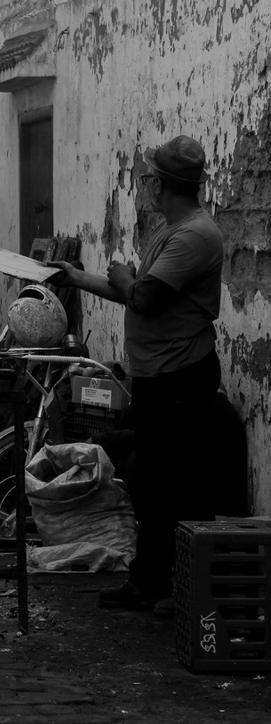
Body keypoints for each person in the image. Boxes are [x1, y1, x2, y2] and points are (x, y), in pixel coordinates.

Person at [48, 135, 224, 617]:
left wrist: (127, 277)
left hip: (179, 378)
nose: (146, 185)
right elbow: (134, 292)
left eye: (150, 178)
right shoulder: (172, 231)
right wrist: (76, 277)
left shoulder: (193, 236)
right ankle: (151, 581)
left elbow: (143, 296)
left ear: (161, 185)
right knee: (153, 480)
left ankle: (181, 588)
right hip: (158, 376)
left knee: (177, 485)